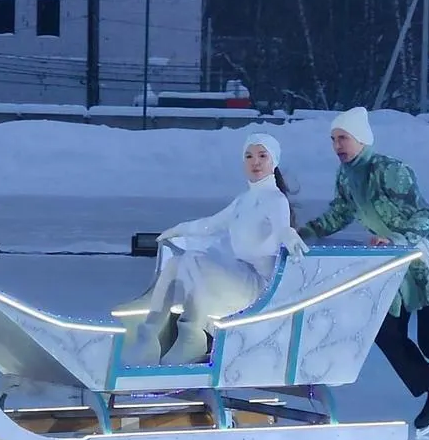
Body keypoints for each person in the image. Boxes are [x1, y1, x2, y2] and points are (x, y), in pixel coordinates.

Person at [297, 106, 429, 435]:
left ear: (361, 139)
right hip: (395, 271)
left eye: (343, 138)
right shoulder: (346, 175)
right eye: (333, 140)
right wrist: (300, 236)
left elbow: (423, 218)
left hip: (428, 268)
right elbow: (339, 214)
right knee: (385, 332)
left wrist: (396, 240)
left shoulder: (390, 170)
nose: (337, 145)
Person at [129, 132, 309, 366]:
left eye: (262, 155)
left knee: (194, 260)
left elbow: (281, 224)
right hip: (240, 276)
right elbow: (210, 224)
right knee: (175, 263)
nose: (255, 161)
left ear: (273, 161)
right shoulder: (243, 201)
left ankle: (192, 335)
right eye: (249, 156)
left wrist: (288, 234)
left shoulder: (275, 200)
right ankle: (149, 335)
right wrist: (179, 229)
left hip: (259, 289)